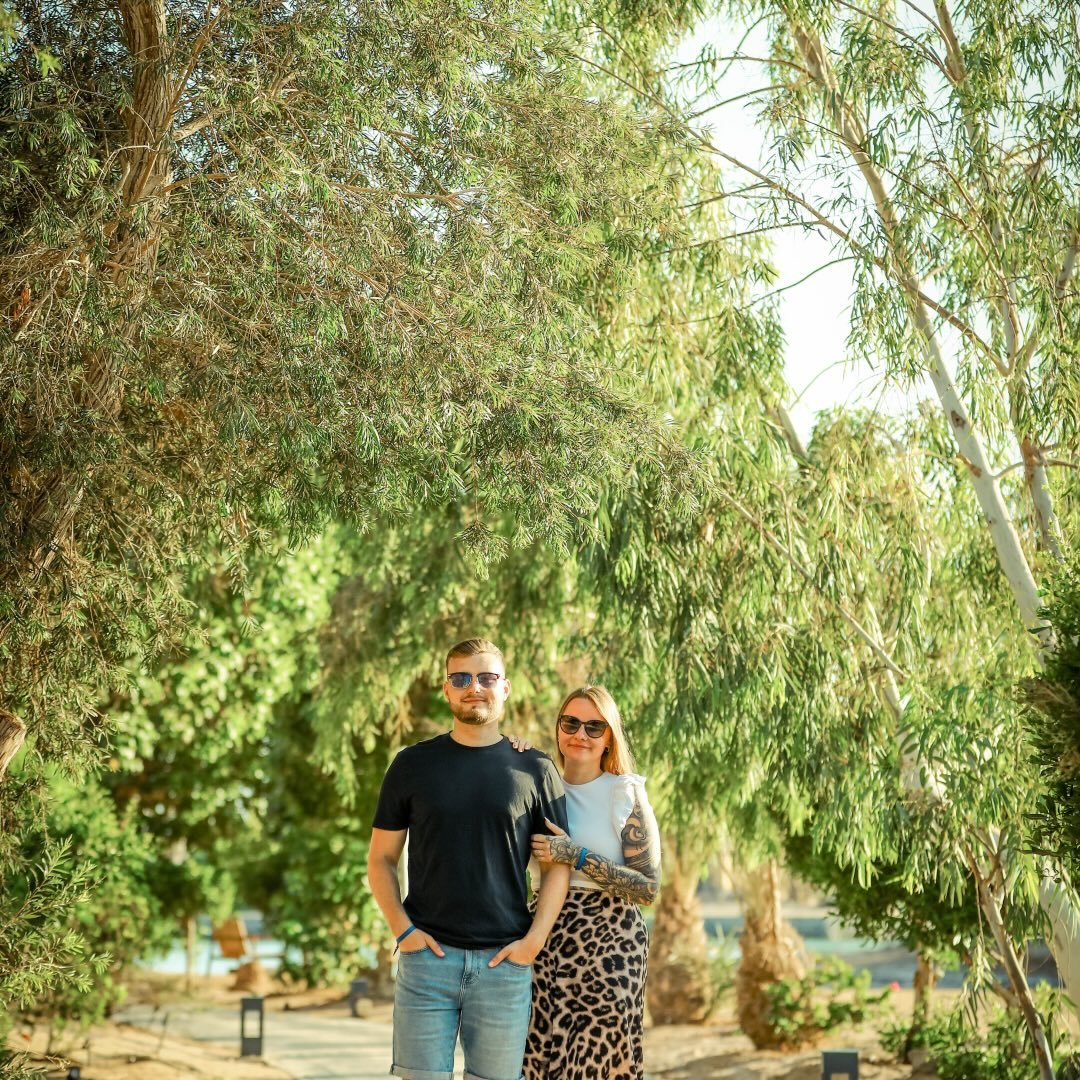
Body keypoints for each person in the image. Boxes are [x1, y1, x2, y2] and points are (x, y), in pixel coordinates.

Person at [367, 638, 571, 1080]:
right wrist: (403, 932)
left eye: (486, 677)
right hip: (427, 962)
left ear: (505, 687)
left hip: (505, 965)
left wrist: (533, 944)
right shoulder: (411, 765)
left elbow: (557, 867)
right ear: (446, 689)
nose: (473, 687)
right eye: (460, 678)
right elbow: (380, 860)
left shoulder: (536, 770)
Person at [521, 686, 661, 1080]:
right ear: (558, 728)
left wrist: (576, 855)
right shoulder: (537, 787)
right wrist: (514, 751)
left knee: (598, 1060)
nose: (580, 734)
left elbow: (648, 887)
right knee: (537, 1057)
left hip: (610, 944)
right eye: (571, 723)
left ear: (609, 738)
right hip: (543, 939)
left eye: (594, 727)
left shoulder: (624, 792)